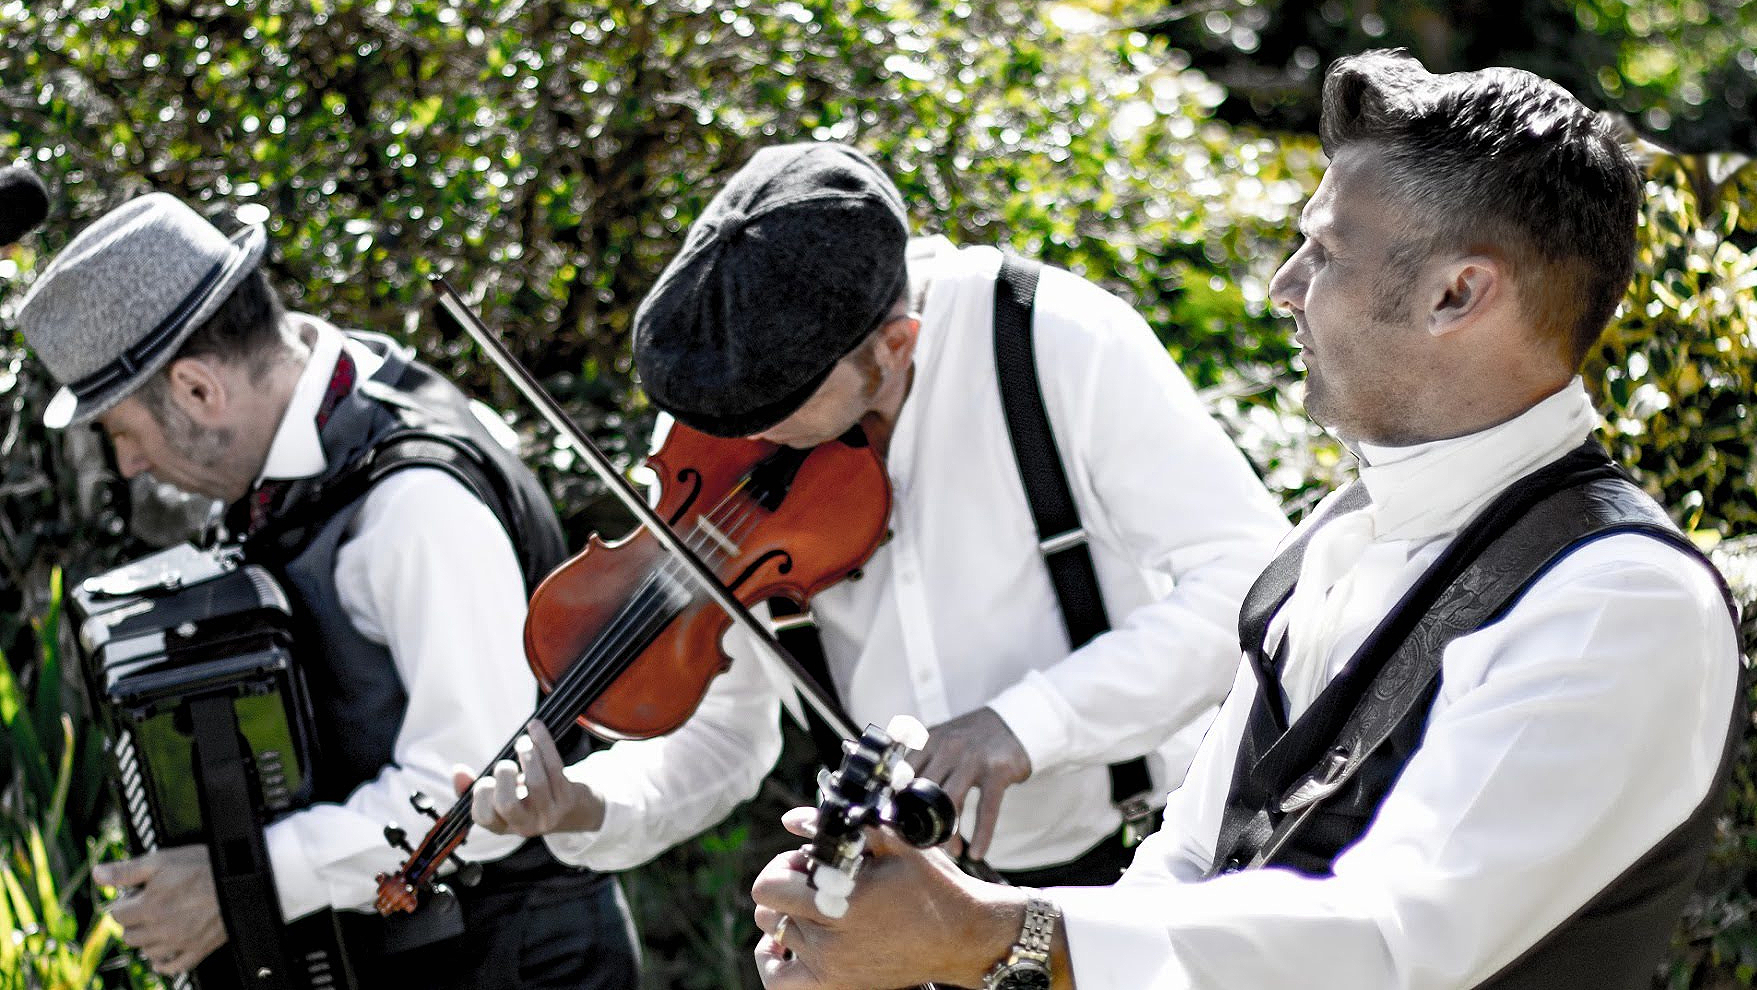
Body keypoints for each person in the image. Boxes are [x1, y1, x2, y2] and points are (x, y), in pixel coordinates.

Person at [744, 51, 1743, 990]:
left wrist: (994, 932)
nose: (1282, 287)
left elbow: (1396, 942)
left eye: (1322, 252)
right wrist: (946, 946)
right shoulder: (1328, 539)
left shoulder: (1620, 600)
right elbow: (1182, 864)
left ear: (1456, 292)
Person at [467, 141, 1288, 892]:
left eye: (780, 411)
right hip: (897, 893)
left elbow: (1248, 579)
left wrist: (1026, 722)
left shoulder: (1054, 340)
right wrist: (583, 805)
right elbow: (726, 735)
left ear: (894, 346)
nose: (749, 438)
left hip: (1136, 869)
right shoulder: (719, 424)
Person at [14, 193, 640, 988]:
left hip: (512, 962)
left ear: (200, 390)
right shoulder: (328, 395)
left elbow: (475, 795)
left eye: (123, 433)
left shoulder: (415, 508)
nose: (130, 465)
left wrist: (243, 884)